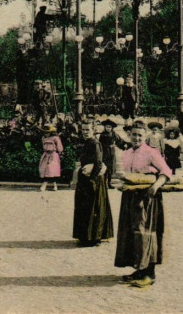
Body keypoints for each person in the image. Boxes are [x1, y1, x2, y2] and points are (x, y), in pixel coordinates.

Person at [115, 124, 172, 288]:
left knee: (145, 232)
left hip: (147, 196)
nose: (136, 138)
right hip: (130, 196)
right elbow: (128, 174)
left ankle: (150, 273)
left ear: (145, 135)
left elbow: (166, 172)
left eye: (140, 135)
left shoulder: (151, 152)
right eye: (134, 135)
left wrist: (155, 186)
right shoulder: (126, 153)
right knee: (132, 232)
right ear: (129, 135)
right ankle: (139, 269)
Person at [73, 121, 114, 247]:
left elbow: (98, 163)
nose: (85, 132)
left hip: (93, 181)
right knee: (84, 208)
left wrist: (92, 179)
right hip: (84, 180)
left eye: (88, 130)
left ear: (93, 130)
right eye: (83, 130)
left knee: (93, 208)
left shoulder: (95, 144)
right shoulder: (87, 143)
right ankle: (85, 236)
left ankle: (94, 237)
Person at [38, 125, 64, 192]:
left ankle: (45, 185)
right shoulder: (43, 138)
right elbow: (42, 145)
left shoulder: (55, 138)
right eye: (45, 132)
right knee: (44, 169)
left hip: (53, 155)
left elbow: (60, 147)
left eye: (47, 132)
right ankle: (54, 185)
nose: (46, 133)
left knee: (51, 170)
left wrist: (59, 152)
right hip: (46, 155)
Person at [98, 118, 121, 189]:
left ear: (112, 128)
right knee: (105, 168)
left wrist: (116, 144)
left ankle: (109, 183)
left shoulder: (114, 134)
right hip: (105, 153)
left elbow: (119, 140)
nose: (108, 128)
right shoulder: (103, 135)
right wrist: (107, 146)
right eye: (107, 127)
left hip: (111, 153)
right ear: (105, 127)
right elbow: (100, 144)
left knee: (110, 169)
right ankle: (104, 183)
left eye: (110, 127)